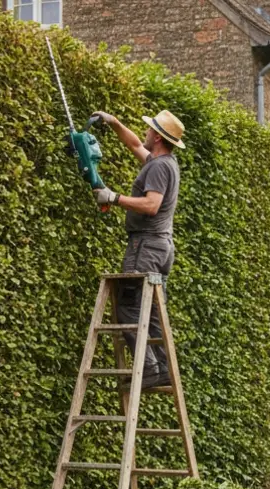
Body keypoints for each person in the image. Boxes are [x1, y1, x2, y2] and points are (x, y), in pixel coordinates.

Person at [91, 109, 186, 389]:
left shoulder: (158, 167)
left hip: (145, 245)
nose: (145, 131)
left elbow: (152, 205)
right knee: (154, 311)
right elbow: (134, 144)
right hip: (161, 246)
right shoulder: (164, 162)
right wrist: (114, 122)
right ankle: (162, 368)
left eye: (150, 129)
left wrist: (114, 197)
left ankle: (148, 369)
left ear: (157, 137)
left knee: (128, 307)